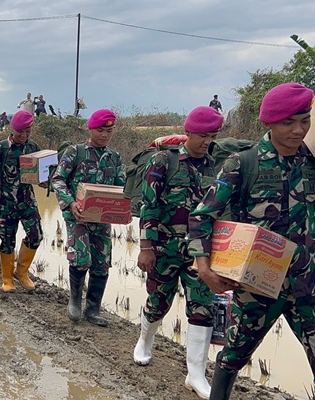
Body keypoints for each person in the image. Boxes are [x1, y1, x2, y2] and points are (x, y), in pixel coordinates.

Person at [188, 83, 315, 400]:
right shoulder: (243, 164)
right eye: (288, 123)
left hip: (310, 284)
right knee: (234, 357)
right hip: (257, 286)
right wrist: (204, 268)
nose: (299, 130)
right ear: (268, 123)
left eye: (305, 120)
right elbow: (202, 216)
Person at [132, 106, 223, 399]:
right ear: (188, 133)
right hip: (165, 249)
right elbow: (149, 206)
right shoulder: (164, 161)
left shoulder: (215, 167)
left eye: (212, 136)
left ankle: (196, 374)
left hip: (202, 254)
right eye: (202, 135)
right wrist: (146, 247)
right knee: (159, 301)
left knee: (203, 307)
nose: (207, 141)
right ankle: (145, 341)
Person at [51, 109, 126, 327]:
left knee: (102, 263)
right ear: (90, 129)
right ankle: (75, 300)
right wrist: (70, 202)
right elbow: (58, 179)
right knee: (81, 258)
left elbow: (121, 187)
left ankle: (93, 309)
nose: (105, 135)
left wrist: (124, 209)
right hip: (78, 216)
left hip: (102, 219)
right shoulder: (76, 153)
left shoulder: (114, 157)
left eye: (109, 131)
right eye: (100, 130)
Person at [0, 110, 43, 292]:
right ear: (13, 129)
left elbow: (40, 174)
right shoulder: (1, 148)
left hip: (27, 201)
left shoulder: (33, 147)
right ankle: (6, 277)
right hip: (6, 203)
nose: (24, 136)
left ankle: (22, 272)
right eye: (21, 132)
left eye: (28, 132)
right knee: (7, 240)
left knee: (36, 235)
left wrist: (45, 179)